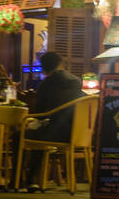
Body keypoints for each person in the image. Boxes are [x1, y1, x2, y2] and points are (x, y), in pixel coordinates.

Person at [22, 51, 84, 190]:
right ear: (60, 64)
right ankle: (31, 179)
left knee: (21, 136)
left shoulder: (46, 84)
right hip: (76, 133)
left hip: (56, 133)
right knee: (40, 133)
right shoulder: (77, 82)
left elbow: (40, 115)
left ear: (43, 69)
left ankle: (23, 179)